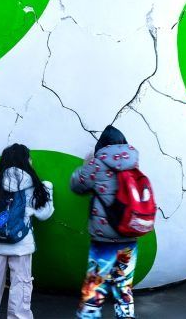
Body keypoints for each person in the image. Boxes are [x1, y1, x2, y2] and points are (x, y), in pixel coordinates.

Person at [0, 143, 54, 319]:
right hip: (21, 242)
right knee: (21, 282)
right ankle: (19, 316)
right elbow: (45, 214)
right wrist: (38, 202)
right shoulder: (33, 185)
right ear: (25, 160)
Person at [71, 125, 140, 319]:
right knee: (124, 287)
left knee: (95, 287)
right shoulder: (133, 163)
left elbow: (76, 184)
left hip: (104, 240)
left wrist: (87, 164)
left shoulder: (97, 164)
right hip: (129, 236)